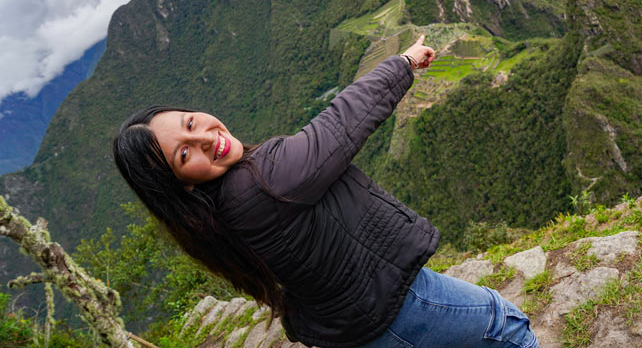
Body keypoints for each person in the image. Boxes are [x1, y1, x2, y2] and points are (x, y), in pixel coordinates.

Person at [113, 35, 538, 348]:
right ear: (181, 183)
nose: (205, 138)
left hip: (353, 313)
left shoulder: (214, 210)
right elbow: (337, 128)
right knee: (506, 326)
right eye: (184, 154)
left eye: (190, 123)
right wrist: (404, 63)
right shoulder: (260, 184)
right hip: (387, 307)